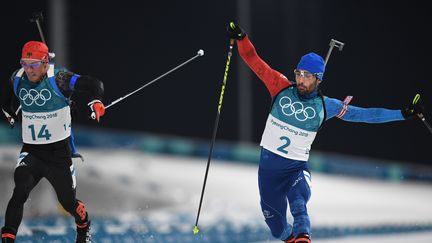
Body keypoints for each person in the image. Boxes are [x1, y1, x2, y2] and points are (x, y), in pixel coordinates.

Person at [226, 22, 424, 243]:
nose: (301, 79)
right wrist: (242, 38)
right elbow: (255, 61)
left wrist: (403, 113)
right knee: (277, 228)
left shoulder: (325, 105)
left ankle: (303, 237)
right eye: (299, 73)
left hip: (295, 170)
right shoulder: (280, 87)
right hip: (268, 174)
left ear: (318, 79)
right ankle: (292, 239)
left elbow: (366, 115)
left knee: (299, 203)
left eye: (307, 75)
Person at [0, 41, 106, 243]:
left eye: (34, 64)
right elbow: (6, 100)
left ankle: (83, 227)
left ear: (45, 61)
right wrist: (9, 113)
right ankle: (7, 239)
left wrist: (96, 101)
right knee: (20, 190)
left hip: (58, 155)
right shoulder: (17, 77)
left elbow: (94, 84)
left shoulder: (59, 79)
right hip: (32, 152)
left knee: (67, 203)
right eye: (25, 63)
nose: (29, 70)